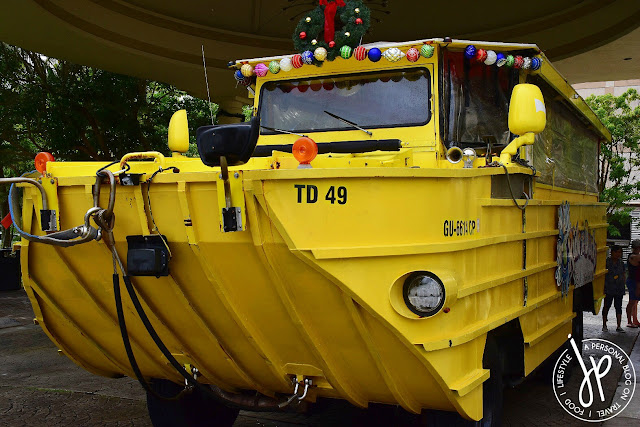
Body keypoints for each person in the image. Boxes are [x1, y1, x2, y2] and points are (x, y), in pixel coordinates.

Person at [603, 245, 626, 332]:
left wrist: (623, 283)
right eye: (616, 252)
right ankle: (604, 324)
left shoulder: (621, 263)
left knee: (618, 307)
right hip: (609, 287)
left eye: (620, 252)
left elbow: (623, 274)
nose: (618, 254)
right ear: (612, 252)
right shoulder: (607, 262)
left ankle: (619, 325)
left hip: (619, 288)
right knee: (606, 306)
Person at [626, 240, 640, 328]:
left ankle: (634, 319)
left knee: (635, 301)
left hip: (636, 281)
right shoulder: (633, 257)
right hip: (633, 281)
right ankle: (629, 321)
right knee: (632, 301)